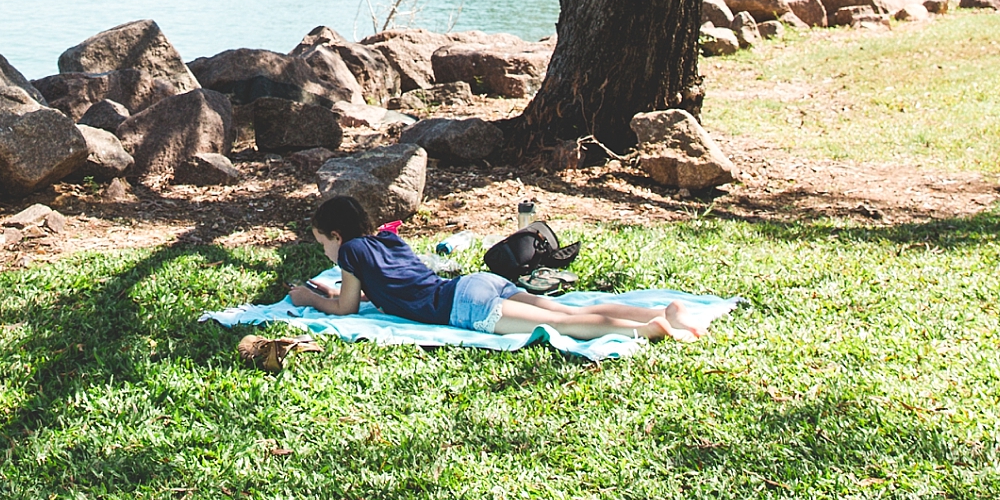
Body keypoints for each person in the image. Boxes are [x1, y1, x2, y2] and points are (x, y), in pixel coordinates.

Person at [288, 195, 726, 341]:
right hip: (477, 284)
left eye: (323, 244)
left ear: (337, 237)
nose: (326, 253)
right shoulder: (387, 240)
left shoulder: (351, 253)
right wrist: (340, 292)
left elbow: (346, 310)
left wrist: (311, 298)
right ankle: (665, 310)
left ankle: (648, 328)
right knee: (567, 310)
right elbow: (384, 289)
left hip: (461, 306)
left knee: (563, 325)